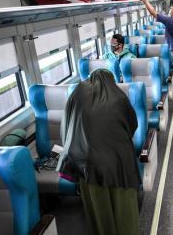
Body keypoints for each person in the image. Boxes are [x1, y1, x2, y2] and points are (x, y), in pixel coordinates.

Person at [57, 69, 140, 235]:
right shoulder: (119, 97)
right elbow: (132, 125)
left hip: (86, 163)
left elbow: (65, 129)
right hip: (118, 162)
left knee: (98, 209)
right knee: (124, 207)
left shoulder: (77, 93)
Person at [137, 0, 173, 93]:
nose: (170, 10)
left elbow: (153, 12)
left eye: (172, 9)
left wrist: (145, 0)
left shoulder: (170, 21)